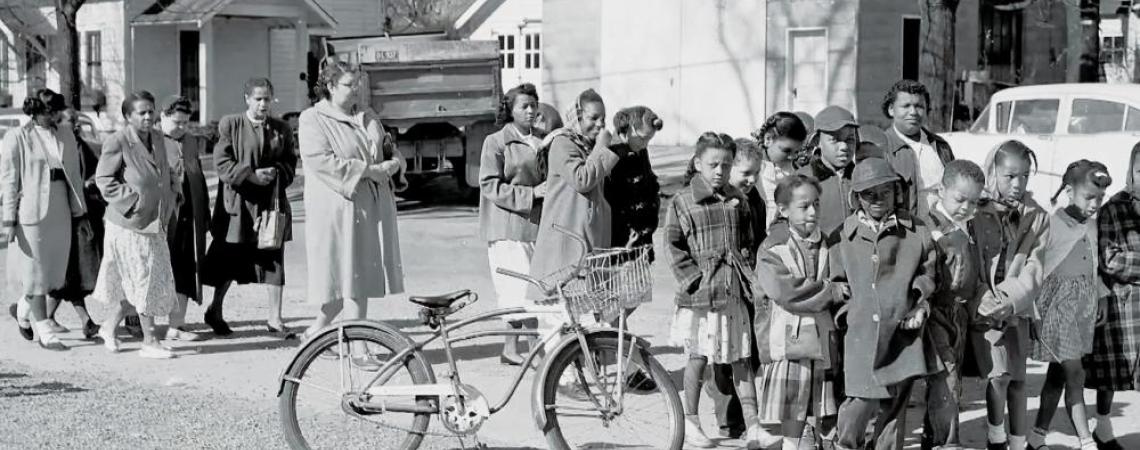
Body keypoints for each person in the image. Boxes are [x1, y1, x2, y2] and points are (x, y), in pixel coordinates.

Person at [666, 132, 780, 449]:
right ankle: (689, 420)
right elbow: (673, 246)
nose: (720, 170)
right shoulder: (683, 201)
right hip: (702, 294)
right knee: (699, 358)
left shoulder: (737, 200)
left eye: (726, 164)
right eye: (713, 164)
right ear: (698, 163)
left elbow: (746, 242)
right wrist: (692, 278)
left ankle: (754, 425)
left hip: (733, 290)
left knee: (742, 358)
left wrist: (747, 273)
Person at [831, 157, 938, 450]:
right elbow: (836, 279)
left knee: (894, 406)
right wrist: (846, 312)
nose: (878, 199)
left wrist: (918, 302)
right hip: (862, 332)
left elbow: (928, 272)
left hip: (902, 331)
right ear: (856, 198)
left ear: (897, 192)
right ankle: (845, 445)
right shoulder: (844, 235)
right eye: (869, 193)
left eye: (885, 191)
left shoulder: (915, 230)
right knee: (861, 399)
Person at [299, 60, 405, 339]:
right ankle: (358, 346)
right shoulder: (312, 119)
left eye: (358, 84)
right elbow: (321, 161)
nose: (356, 90)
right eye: (349, 84)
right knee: (348, 277)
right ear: (331, 87)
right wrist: (368, 171)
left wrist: (394, 164)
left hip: (369, 205)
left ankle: (316, 331)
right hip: (337, 208)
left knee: (353, 276)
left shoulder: (368, 117)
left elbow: (388, 150)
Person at [966, 140, 1048, 450]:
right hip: (986, 307)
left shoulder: (1037, 216)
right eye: (1009, 176)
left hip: (1018, 307)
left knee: (1018, 378)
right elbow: (969, 260)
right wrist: (987, 301)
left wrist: (1011, 299)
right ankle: (996, 437)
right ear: (992, 172)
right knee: (997, 375)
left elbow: (1034, 268)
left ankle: (1018, 441)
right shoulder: (976, 211)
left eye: (1025, 176)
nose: (1017, 184)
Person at [201, 78, 298, 338]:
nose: (263, 104)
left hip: (270, 206)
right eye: (258, 99)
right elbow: (221, 164)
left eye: (267, 98)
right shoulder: (231, 125)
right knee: (229, 260)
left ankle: (275, 320)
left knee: (274, 259)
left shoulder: (282, 129)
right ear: (247, 98)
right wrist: (251, 175)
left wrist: (276, 172)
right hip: (237, 207)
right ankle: (215, 310)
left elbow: (291, 162)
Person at [753, 174, 844, 450]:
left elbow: (839, 277)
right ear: (783, 210)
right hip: (787, 341)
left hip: (821, 341)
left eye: (816, 204)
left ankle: (809, 440)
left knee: (817, 406)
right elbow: (788, 292)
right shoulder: (772, 247)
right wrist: (830, 292)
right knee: (790, 411)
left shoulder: (827, 243)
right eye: (804, 206)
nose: (813, 212)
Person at [1026, 160, 1113, 450]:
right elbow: (1037, 267)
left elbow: (1094, 265)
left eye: (1100, 199)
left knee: (1058, 375)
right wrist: (1032, 308)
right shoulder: (1052, 224)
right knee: (1075, 372)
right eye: (1089, 197)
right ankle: (1086, 440)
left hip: (1082, 309)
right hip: (1057, 307)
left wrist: (1100, 295)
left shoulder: (1092, 226)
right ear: (1068, 190)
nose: (1094, 204)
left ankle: (1036, 437)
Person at [528, 88, 623, 349]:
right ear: (577, 116)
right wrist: (603, 147)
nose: (600, 124)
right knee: (561, 320)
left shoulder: (585, 145)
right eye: (593, 118)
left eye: (603, 118)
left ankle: (574, 375)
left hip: (583, 243)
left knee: (583, 317)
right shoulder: (562, 143)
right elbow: (582, 179)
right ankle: (562, 380)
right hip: (565, 243)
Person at [91, 90, 179, 359]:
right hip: (129, 223)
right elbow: (104, 179)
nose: (148, 116)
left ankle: (108, 327)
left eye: (151, 111)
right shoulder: (117, 141)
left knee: (147, 279)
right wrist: (133, 203)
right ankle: (150, 341)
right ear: (128, 117)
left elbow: (164, 170)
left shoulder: (157, 137)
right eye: (141, 112)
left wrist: (174, 192)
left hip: (157, 220)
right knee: (142, 278)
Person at [1, 89, 89, 350]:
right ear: (37, 111)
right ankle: (45, 330)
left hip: (60, 205)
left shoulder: (65, 135)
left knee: (52, 272)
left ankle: (23, 307)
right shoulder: (17, 137)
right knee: (35, 270)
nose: (57, 116)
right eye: (52, 112)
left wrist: (79, 209)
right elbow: (8, 180)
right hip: (31, 209)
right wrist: (8, 220)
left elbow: (75, 172)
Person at [703, 137, 766, 439]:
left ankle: (746, 418)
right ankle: (729, 421)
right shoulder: (722, 203)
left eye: (757, 173)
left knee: (745, 354)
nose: (752, 180)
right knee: (723, 359)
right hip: (722, 288)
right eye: (745, 173)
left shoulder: (754, 201)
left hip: (748, 288)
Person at [921, 160, 987, 450]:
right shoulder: (929, 227)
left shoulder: (969, 226)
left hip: (959, 314)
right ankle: (948, 443)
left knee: (951, 380)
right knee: (945, 378)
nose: (966, 208)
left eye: (974, 202)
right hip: (935, 312)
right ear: (940, 190)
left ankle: (932, 437)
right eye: (960, 199)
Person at [479, 83, 546, 365]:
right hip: (507, 227)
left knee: (522, 288)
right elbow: (489, 185)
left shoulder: (542, 139)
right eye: (523, 106)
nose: (530, 111)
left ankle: (509, 348)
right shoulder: (496, 141)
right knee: (520, 290)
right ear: (510, 110)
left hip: (535, 225)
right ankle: (535, 350)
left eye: (533, 105)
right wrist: (532, 194)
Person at [1085, 142, 1140, 450]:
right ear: (1130, 174)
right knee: (1110, 373)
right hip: (1122, 303)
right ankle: (1102, 426)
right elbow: (1111, 258)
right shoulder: (1114, 209)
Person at [40, 108, 103, 341]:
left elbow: (99, 171)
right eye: (70, 121)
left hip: (84, 215)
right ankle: (85, 320)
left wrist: (92, 183)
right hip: (62, 217)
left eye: (77, 122)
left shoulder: (83, 146)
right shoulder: (53, 149)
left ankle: (39, 314)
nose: (75, 126)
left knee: (75, 271)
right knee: (70, 271)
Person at [159, 96, 210, 342]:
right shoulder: (153, 140)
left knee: (186, 269)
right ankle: (136, 319)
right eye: (177, 123)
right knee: (156, 268)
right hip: (164, 215)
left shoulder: (190, 141)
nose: (182, 128)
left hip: (189, 214)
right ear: (163, 116)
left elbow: (198, 176)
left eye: (186, 123)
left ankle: (176, 325)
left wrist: (205, 215)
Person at [880, 80, 956, 218]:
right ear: (891, 109)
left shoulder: (940, 146)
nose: (913, 112)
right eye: (906, 106)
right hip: (904, 234)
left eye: (919, 106)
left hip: (943, 233)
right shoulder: (881, 147)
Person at [798, 106, 858, 237]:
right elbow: (782, 225)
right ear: (817, 141)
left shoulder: (862, 177)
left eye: (850, 139)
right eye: (835, 140)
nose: (844, 147)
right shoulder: (802, 179)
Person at [751, 112, 807, 228]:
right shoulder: (752, 168)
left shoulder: (795, 171)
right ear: (768, 139)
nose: (792, 157)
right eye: (786, 151)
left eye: (796, 152)